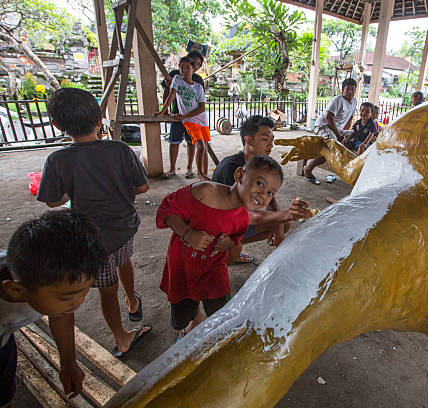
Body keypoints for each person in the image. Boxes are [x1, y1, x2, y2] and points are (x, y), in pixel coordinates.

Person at [37, 88, 151, 358]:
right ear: (100, 119)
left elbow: (53, 201)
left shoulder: (58, 160)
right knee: (124, 260)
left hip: (93, 240)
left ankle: (121, 337)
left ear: (58, 125)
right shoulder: (120, 149)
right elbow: (143, 187)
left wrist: (74, 189)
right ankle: (133, 302)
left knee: (106, 289)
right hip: (124, 228)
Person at [156, 156, 284, 340]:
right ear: (239, 174)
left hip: (214, 273)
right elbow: (167, 209)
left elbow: (231, 259)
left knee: (221, 317)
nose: (263, 195)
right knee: (180, 320)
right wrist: (187, 233)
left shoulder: (242, 219)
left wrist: (229, 245)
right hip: (183, 269)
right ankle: (195, 317)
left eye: (271, 192)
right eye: (260, 184)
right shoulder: (205, 191)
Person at [1, 210, 107, 406]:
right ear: (15, 290)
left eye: (84, 292)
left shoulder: (43, 281)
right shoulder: (34, 278)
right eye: (67, 298)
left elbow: (61, 316)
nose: (78, 303)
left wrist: (68, 361)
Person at [211, 115, 313, 263]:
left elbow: (271, 198)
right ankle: (227, 250)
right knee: (280, 221)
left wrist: (278, 222)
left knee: (283, 225)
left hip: (235, 221)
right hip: (217, 228)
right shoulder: (231, 168)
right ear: (248, 140)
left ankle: (233, 246)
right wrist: (287, 214)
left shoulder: (260, 165)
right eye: (265, 139)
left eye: (271, 140)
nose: (270, 145)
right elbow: (246, 216)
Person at [156, 55, 210, 180]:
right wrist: (162, 112)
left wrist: (183, 116)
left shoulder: (198, 85)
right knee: (179, 142)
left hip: (197, 118)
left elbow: (202, 107)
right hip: (182, 118)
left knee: (199, 145)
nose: (185, 70)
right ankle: (196, 173)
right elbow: (170, 95)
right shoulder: (177, 78)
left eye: (188, 67)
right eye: (182, 67)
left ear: (195, 68)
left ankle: (196, 170)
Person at [304, 77, 358, 184]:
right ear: (343, 90)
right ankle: (308, 169)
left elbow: (349, 120)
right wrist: (338, 136)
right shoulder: (337, 100)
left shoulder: (354, 102)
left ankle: (343, 169)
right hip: (323, 126)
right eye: (348, 89)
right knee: (332, 148)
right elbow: (329, 117)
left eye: (353, 89)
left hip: (337, 129)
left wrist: (344, 137)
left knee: (355, 134)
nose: (350, 92)